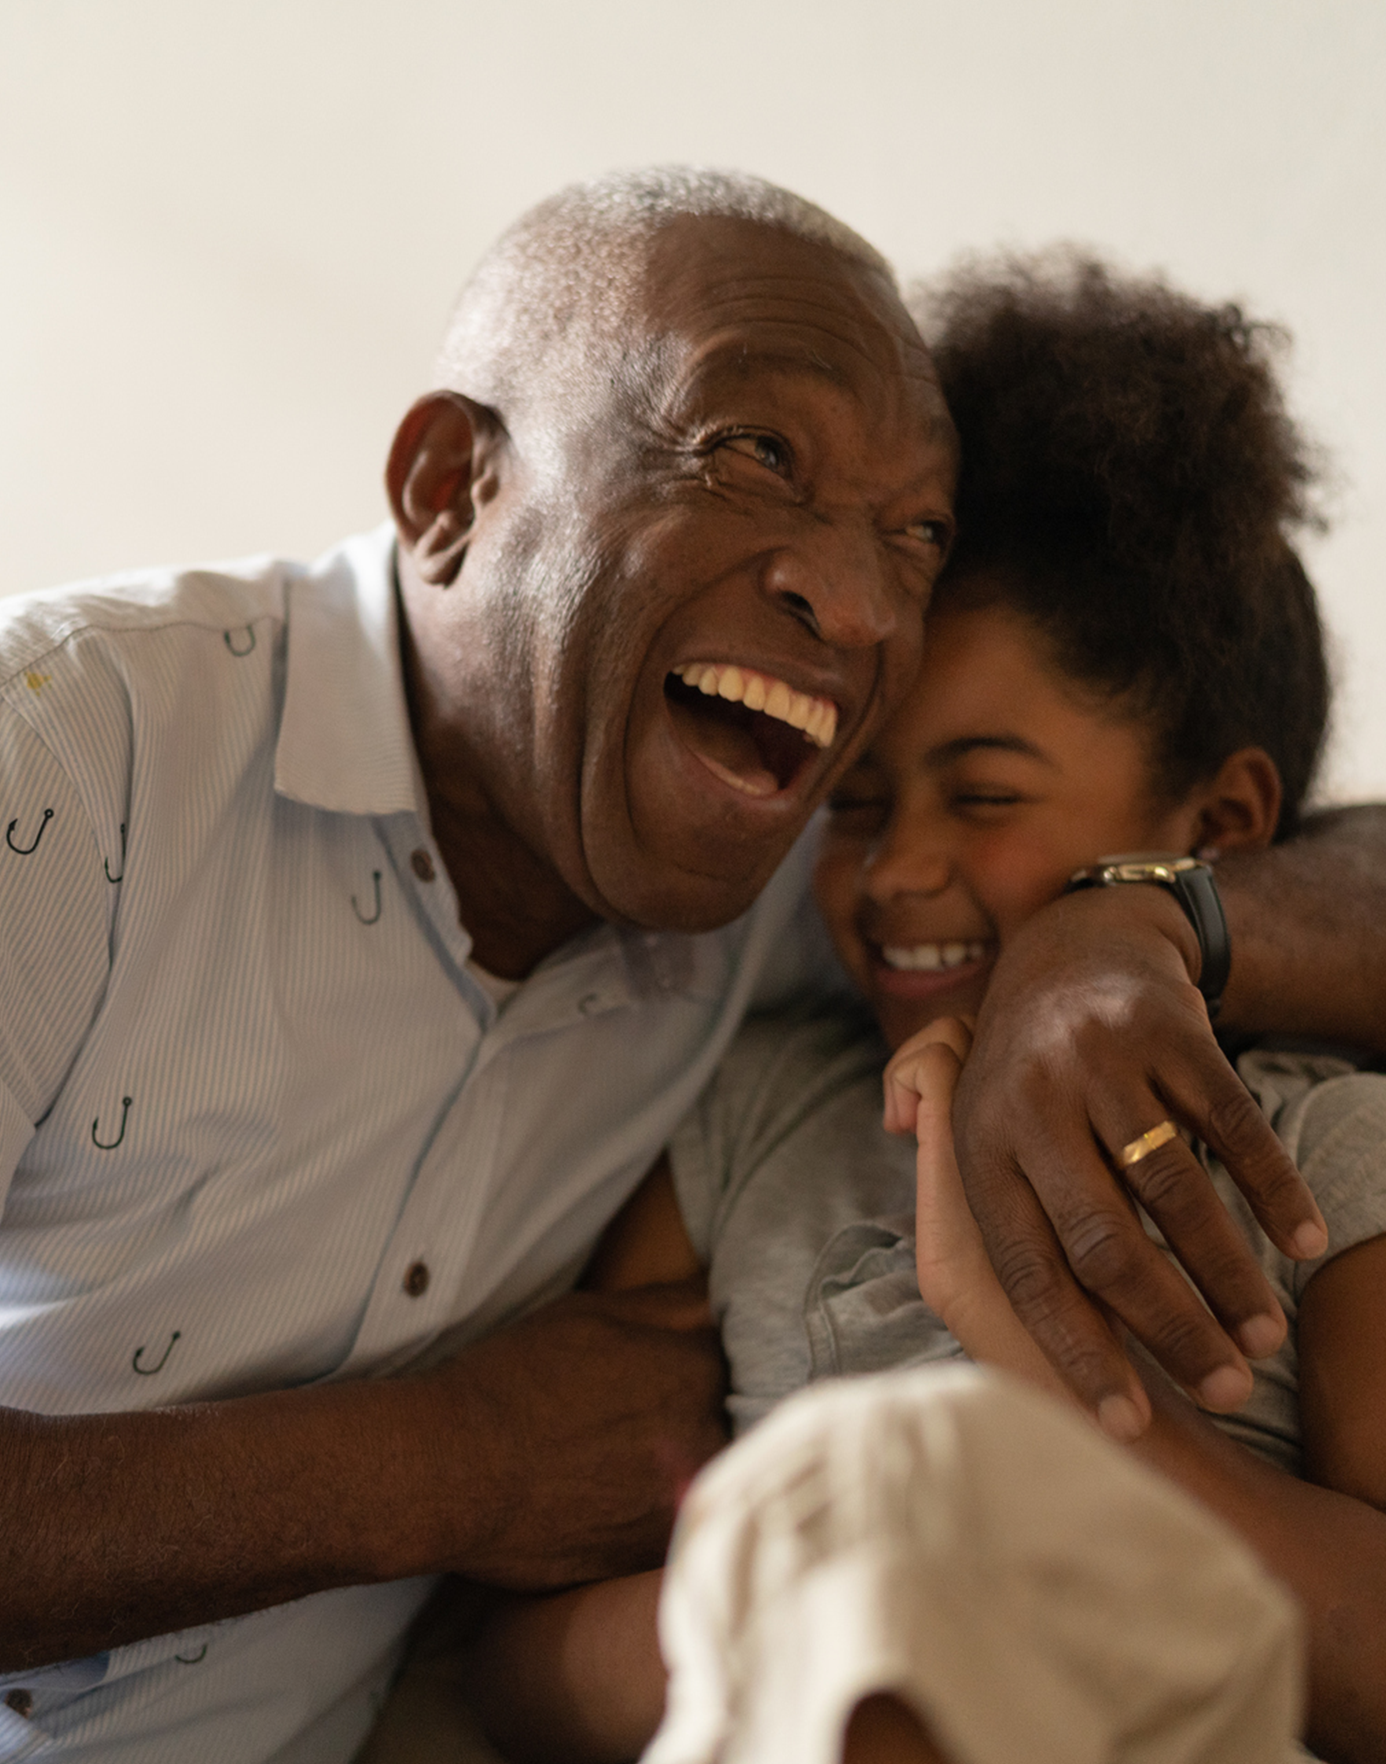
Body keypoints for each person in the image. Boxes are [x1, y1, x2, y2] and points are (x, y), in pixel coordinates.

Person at [0, 172, 1378, 1764]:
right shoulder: (46, 745)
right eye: (754, 453)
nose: (856, 595)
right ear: (448, 488)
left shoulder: (792, 874)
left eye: (916, 535)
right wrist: (443, 1460)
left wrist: (1131, 925)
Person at [466, 256, 1386, 1764]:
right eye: (861, 797)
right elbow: (509, 1662)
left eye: (985, 794)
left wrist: (1043, 1365)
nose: (895, 871)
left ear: (1216, 824)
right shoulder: (752, 1118)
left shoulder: (1317, 1156)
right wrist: (832, 1594)